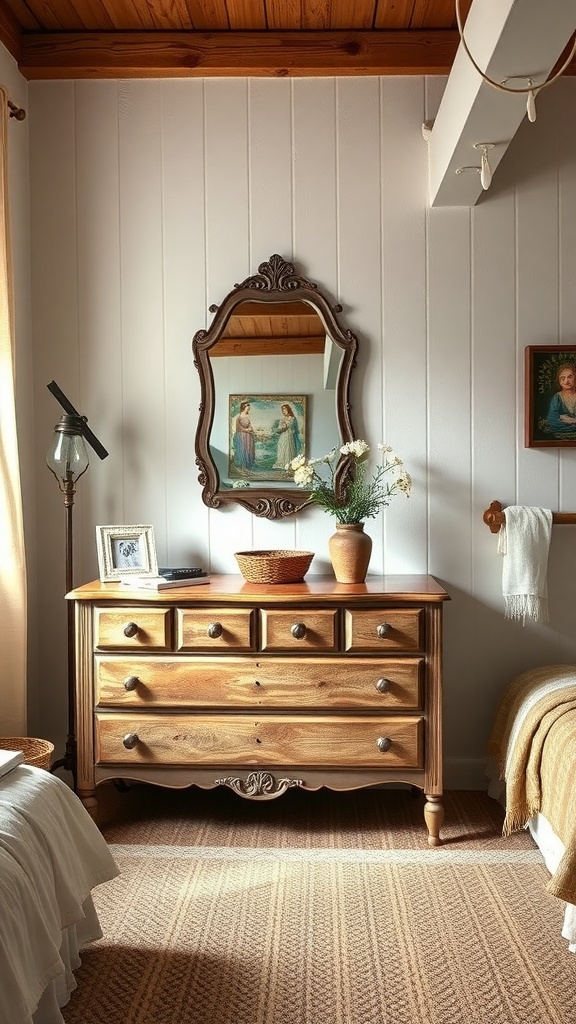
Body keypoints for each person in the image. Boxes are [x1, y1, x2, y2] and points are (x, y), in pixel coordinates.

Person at [546, 362, 576, 434]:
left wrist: (570, 420)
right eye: (563, 378)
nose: (566, 381)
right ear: (559, 382)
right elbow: (552, 421)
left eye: (570, 377)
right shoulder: (557, 398)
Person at [273, 403, 301, 469]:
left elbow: (295, 429)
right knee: (282, 450)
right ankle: (282, 463)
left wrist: (287, 428)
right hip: (283, 437)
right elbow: (279, 430)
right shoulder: (282, 420)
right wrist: (281, 428)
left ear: (288, 410)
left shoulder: (293, 419)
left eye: (285, 410)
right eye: (282, 411)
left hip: (290, 437)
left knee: (289, 450)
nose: (284, 412)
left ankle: (289, 464)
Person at [233, 401, 256, 470]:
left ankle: (249, 465)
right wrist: (246, 430)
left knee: (249, 449)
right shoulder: (239, 416)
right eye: (247, 406)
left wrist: (251, 430)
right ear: (244, 407)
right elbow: (238, 427)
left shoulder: (247, 416)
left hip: (249, 436)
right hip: (242, 435)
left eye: (249, 406)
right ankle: (243, 466)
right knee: (243, 449)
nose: (249, 407)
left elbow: (250, 426)